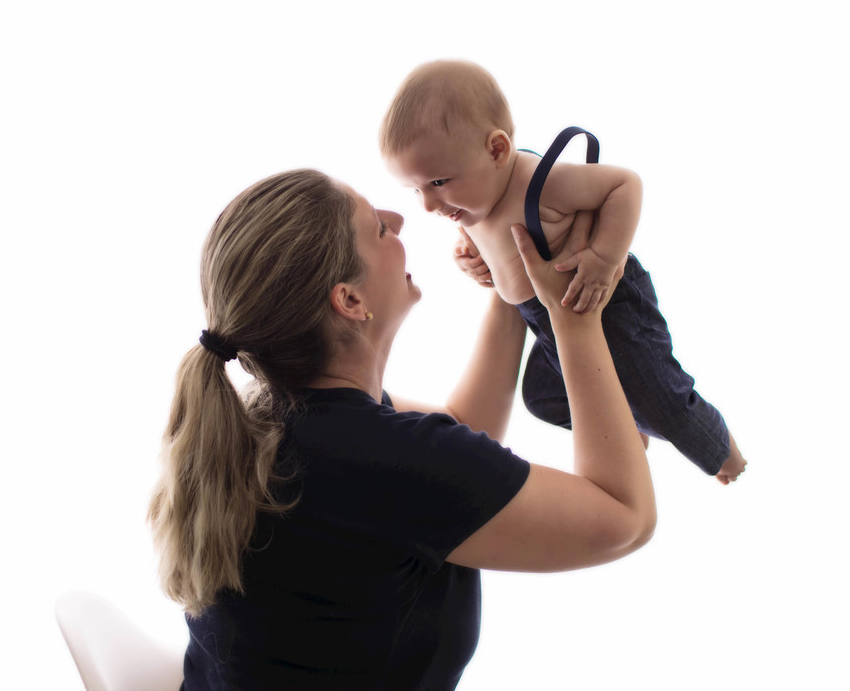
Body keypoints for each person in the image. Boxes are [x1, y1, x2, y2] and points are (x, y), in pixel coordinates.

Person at [147, 169, 655, 689]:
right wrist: (574, 315)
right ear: (348, 301)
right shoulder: (381, 460)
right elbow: (624, 518)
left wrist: (513, 280)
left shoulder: (273, 418)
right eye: (378, 230)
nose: (398, 220)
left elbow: (459, 436)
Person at [379, 60, 748, 484]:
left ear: (497, 150)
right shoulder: (470, 197)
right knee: (542, 396)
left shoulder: (539, 181)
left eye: (438, 182)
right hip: (547, 320)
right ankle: (629, 432)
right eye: (416, 189)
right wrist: (473, 258)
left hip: (608, 307)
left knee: (660, 400)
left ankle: (725, 456)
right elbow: (492, 244)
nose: (428, 204)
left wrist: (605, 259)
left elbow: (623, 185)